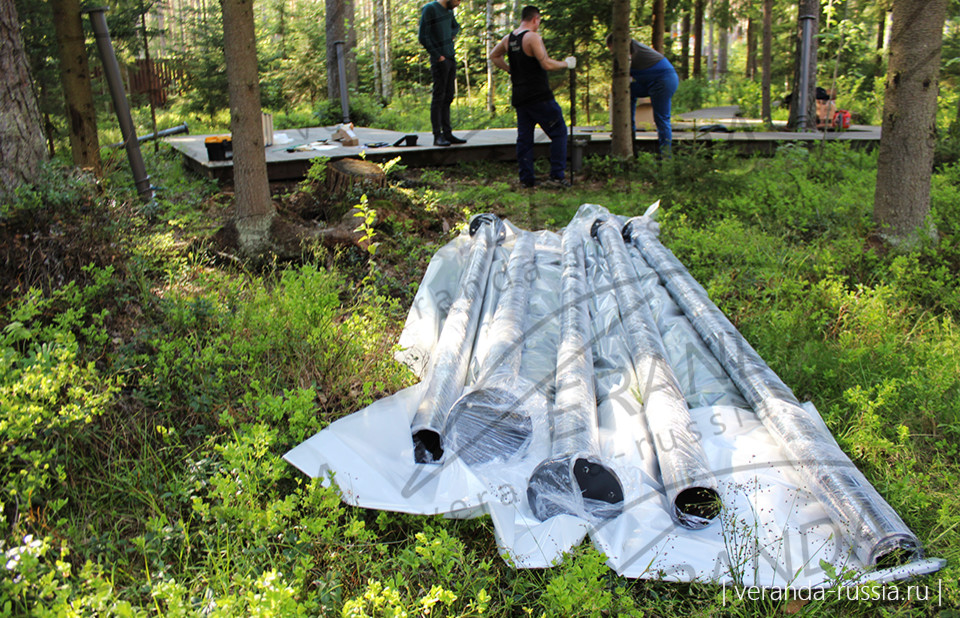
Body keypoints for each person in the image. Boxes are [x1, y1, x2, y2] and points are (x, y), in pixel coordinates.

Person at [490, 6, 576, 188]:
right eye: (539, 21)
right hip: (540, 96)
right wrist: (566, 64)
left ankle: (526, 179)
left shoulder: (509, 39)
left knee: (525, 138)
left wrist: (511, 70)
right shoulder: (532, 37)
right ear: (535, 19)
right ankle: (557, 177)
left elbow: (494, 56)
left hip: (520, 96)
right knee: (559, 132)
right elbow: (546, 63)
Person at [606, 35, 678, 157]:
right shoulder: (629, 47)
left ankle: (666, 157)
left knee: (661, 119)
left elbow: (625, 70)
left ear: (614, 44)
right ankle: (629, 134)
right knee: (629, 92)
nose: (612, 53)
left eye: (611, 49)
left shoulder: (629, 49)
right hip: (650, 81)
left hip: (664, 80)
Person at [418, 0, 466, 147]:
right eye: (457, 0)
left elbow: (456, 26)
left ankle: (447, 133)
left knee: (449, 96)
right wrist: (438, 56)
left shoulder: (449, 11)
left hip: (451, 57)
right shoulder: (430, 9)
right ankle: (437, 135)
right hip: (440, 60)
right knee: (439, 96)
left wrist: (450, 36)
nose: (458, 3)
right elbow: (423, 36)